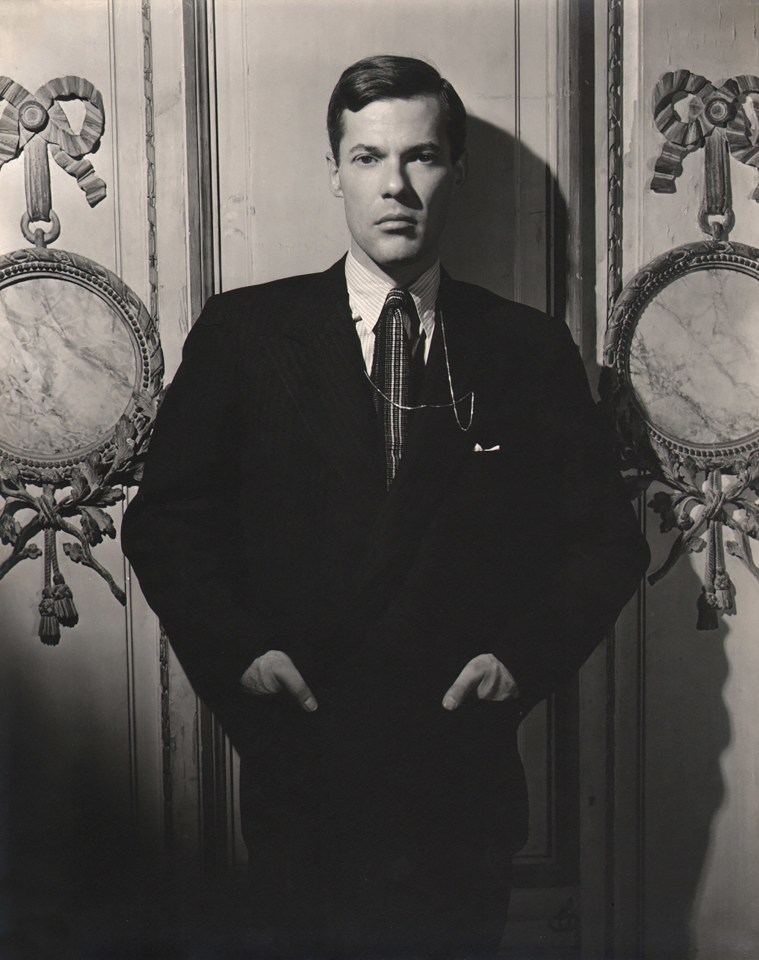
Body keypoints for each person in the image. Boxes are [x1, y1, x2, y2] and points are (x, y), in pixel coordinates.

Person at [122, 55, 649, 960]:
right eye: (367, 158)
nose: (395, 186)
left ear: (455, 172)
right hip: (304, 762)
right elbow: (165, 523)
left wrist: (517, 661)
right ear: (334, 172)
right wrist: (243, 654)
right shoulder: (247, 334)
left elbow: (604, 542)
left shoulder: (525, 349)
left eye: (422, 156)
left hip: (460, 771)